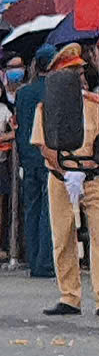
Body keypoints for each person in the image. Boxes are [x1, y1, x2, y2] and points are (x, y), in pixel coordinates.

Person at [30, 44, 99, 317]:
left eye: (80, 72)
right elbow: (44, 146)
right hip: (61, 177)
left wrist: (84, 169)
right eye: (72, 73)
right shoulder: (46, 108)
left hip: (92, 177)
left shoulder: (95, 104)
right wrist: (68, 172)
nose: (79, 78)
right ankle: (69, 296)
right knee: (63, 236)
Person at [15, 45, 55, 279]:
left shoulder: (23, 93)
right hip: (47, 155)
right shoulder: (52, 90)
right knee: (47, 210)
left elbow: (20, 126)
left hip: (27, 157)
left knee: (31, 209)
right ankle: (45, 261)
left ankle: (33, 259)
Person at [0, 54, 24, 261]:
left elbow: (17, 129)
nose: (17, 71)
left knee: (13, 203)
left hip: (15, 160)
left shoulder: (24, 95)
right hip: (5, 161)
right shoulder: (3, 103)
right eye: (12, 67)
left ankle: (15, 246)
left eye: (20, 67)